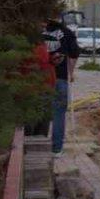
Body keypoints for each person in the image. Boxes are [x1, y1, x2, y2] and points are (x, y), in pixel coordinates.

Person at [41, 18, 80, 154]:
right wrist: (71, 72)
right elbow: (74, 54)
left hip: (40, 78)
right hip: (60, 77)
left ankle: (39, 142)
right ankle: (57, 148)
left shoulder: (37, 31)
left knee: (41, 110)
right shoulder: (67, 32)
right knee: (58, 113)